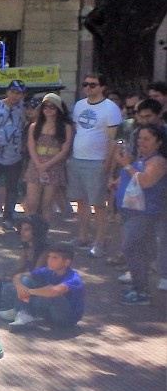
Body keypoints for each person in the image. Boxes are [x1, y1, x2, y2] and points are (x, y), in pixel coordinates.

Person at [112, 123, 166, 305]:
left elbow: (146, 182)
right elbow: (129, 178)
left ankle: (141, 290)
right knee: (134, 250)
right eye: (140, 138)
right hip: (129, 213)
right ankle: (138, 287)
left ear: (158, 142)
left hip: (145, 214)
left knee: (132, 248)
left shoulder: (158, 161)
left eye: (147, 139)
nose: (142, 142)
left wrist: (127, 165)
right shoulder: (139, 160)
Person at [69, 73, 122, 256]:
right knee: (81, 202)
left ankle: (100, 241)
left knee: (99, 205)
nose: (88, 88)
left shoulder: (111, 108)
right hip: (78, 159)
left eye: (93, 84)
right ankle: (82, 237)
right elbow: (79, 130)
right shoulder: (79, 105)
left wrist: (108, 163)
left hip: (98, 161)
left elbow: (114, 139)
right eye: (86, 84)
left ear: (102, 87)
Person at [0, 241, 85, 329]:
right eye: (49, 257)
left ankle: (22, 309)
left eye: (55, 258)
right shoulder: (48, 270)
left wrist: (28, 291)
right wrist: (19, 287)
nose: (49, 260)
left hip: (65, 318)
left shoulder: (73, 278)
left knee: (52, 294)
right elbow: (18, 276)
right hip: (49, 313)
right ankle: (22, 311)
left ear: (66, 262)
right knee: (20, 282)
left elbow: (54, 292)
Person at [23, 93, 73, 224]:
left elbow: (65, 149)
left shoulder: (65, 127)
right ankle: (32, 232)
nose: (49, 109)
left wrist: (46, 165)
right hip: (35, 164)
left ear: (58, 109)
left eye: (52, 107)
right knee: (31, 203)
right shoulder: (34, 126)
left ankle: (43, 234)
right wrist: (39, 165)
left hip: (54, 165)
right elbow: (31, 146)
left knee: (47, 203)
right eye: (45, 106)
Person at [0, 80, 28, 231]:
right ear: (7, 91)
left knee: (12, 188)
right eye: (13, 91)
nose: (15, 95)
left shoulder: (23, 109)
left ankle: (9, 217)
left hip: (15, 156)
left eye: (19, 93)